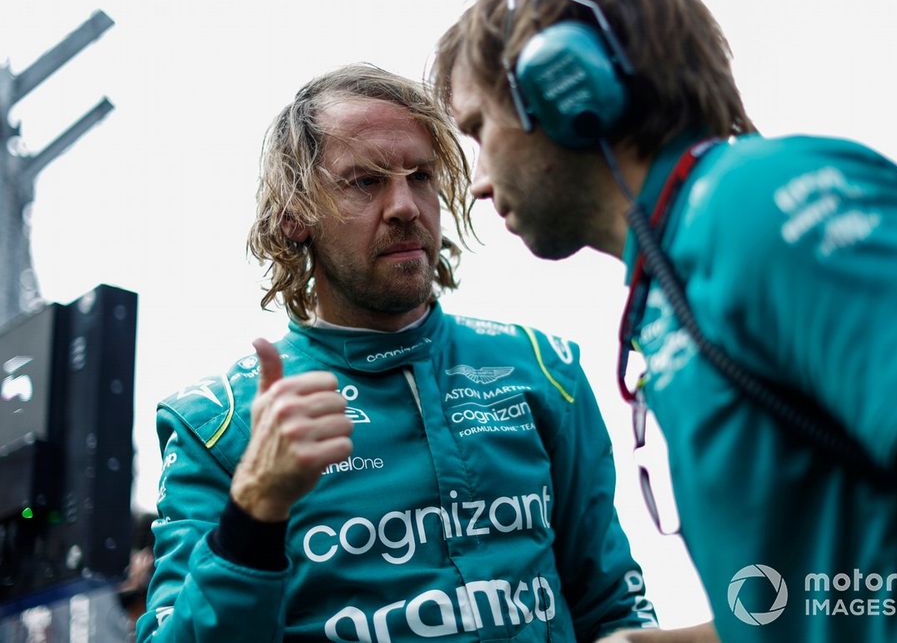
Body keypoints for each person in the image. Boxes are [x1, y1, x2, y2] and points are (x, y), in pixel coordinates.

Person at [433, 0, 897, 641]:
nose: (473, 183)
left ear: (568, 91)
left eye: (477, 129)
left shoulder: (756, 203)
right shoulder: (678, 277)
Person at [137, 64, 662, 642]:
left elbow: (612, 606)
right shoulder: (217, 423)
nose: (406, 205)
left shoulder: (542, 369)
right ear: (294, 216)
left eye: (421, 176)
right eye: (365, 181)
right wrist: (256, 510)